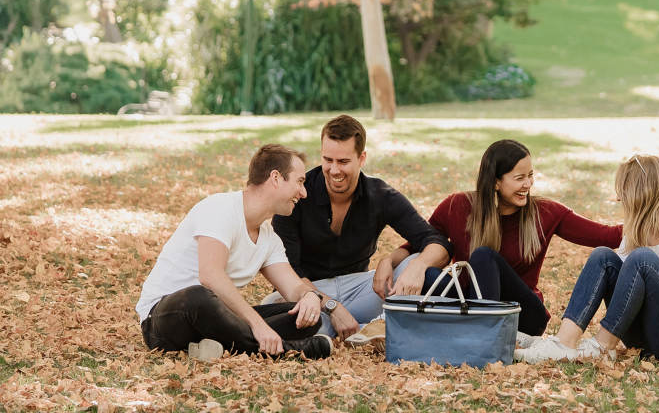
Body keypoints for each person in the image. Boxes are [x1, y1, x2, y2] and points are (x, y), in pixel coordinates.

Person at [514, 154, 659, 371]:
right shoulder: (635, 232)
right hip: (643, 341)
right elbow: (624, 288)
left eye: (623, 191)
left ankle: (602, 347)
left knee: (641, 258)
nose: (618, 198)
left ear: (639, 195)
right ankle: (563, 342)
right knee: (603, 256)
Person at [392, 139, 623, 340]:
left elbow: (607, 235)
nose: (528, 184)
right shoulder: (457, 206)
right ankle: (464, 330)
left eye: (530, 176)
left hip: (523, 315)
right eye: (519, 178)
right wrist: (388, 264)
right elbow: (416, 245)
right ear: (495, 182)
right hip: (468, 302)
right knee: (426, 275)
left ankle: (478, 335)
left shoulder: (546, 212)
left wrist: (652, 213)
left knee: (483, 256)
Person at [136, 144, 333, 361]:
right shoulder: (221, 208)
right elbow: (210, 276)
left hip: (217, 320)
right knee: (199, 296)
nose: (303, 193)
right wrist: (257, 325)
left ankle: (216, 345)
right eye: (300, 182)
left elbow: (293, 287)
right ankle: (287, 351)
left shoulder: (269, 238)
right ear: (276, 178)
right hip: (165, 318)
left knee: (304, 316)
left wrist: (310, 297)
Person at [269, 115, 451, 342]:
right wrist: (333, 307)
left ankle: (351, 329)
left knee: (413, 265)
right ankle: (365, 328)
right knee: (276, 311)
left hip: (360, 289)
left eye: (343, 162)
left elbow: (437, 241)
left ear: (361, 158)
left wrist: (415, 265)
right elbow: (287, 271)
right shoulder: (298, 194)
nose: (334, 170)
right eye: (328, 160)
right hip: (306, 291)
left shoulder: (380, 195)